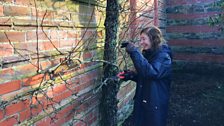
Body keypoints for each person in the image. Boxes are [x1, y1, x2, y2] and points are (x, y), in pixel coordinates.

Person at [118, 26, 172, 126]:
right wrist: (131, 75)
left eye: (144, 39)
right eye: (141, 39)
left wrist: (134, 52)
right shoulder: (150, 54)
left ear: (154, 39)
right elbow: (145, 76)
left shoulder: (164, 57)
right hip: (145, 100)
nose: (141, 42)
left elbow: (151, 73)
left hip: (155, 103)